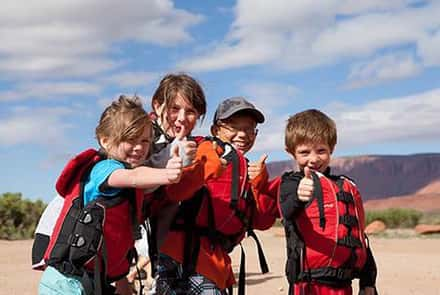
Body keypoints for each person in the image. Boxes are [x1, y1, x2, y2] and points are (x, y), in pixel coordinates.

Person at [38, 95, 186, 294]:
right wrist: (167, 174)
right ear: (105, 141)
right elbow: (133, 176)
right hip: (65, 282)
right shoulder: (103, 169)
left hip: (94, 280)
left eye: (145, 140)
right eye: (130, 139)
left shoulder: (126, 191)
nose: (140, 147)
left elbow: (113, 240)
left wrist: (122, 281)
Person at [156, 97, 278, 295]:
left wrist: (260, 186)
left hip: (215, 262)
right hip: (183, 255)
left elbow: (262, 222)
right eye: (233, 127)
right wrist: (204, 168)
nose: (243, 135)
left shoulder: (248, 171)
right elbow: (173, 191)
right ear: (215, 130)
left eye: (249, 129)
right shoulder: (200, 149)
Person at [276, 109, 378, 295]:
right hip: (307, 285)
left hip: (343, 286)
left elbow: (359, 237)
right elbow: (287, 212)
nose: (313, 159)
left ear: (332, 148)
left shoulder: (346, 186)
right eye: (304, 152)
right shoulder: (292, 183)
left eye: (321, 150)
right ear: (291, 152)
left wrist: (368, 282)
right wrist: (299, 197)